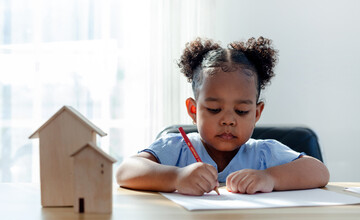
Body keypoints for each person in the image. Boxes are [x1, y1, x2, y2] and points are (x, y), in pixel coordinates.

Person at [116, 37, 330, 196]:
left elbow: (319, 172)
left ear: (256, 114)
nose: (228, 120)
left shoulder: (263, 153)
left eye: (242, 111)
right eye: (214, 109)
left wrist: (270, 177)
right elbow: (125, 171)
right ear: (193, 110)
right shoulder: (177, 148)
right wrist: (176, 177)